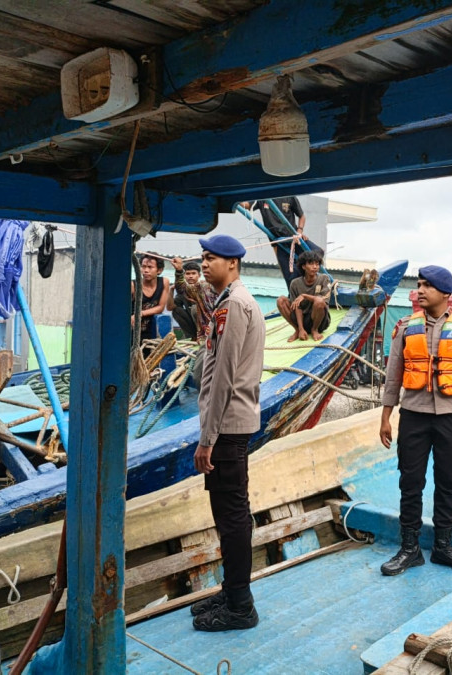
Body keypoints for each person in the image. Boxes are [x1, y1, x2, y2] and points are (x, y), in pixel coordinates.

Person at [378, 266, 452, 576]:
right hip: (413, 415)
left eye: (427, 286)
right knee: (410, 483)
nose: (420, 290)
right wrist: (386, 416)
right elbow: (393, 375)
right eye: (419, 285)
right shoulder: (405, 327)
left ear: (445, 293)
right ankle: (410, 549)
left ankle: (443, 546)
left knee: (448, 482)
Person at [190, 234, 265, 632]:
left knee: (232, 516)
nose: (204, 264)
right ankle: (232, 590)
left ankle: (240, 606)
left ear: (233, 263)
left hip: (227, 427)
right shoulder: (228, 301)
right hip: (229, 423)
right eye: (203, 257)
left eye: (212, 258)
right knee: (228, 513)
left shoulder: (234, 304)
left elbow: (223, 375)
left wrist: (208, 438)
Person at [240, 197, 323, 285]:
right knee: (290, 278)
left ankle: (305, 274)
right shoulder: (262, 197)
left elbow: (302, 216)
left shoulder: (289, 197)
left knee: (318, 252)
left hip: (294, 238)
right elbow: (247, 205)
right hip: (280, 243)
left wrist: (299, 231)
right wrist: (234, 196)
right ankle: (297, 286)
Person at [276, 249, 331, 342]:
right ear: (303, 266)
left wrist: (305, 296)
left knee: (319, 301)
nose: (315, 267)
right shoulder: (295, 283)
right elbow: (297, 307)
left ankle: (314, 330)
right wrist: (301, 328)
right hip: (302, 320)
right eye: (311, 264)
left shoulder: (324, 279)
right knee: (281, 300)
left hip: (320, 321)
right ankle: (297, 330)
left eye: (317, 264)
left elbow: (323, 301)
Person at [169, 258, 217, 341]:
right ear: (184, 276)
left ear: (199, 275)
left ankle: (204, 335)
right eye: (188, 274)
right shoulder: (185, 291)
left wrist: (179, 270)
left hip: (210, 323)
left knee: (195, 309)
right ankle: (192, 336)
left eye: (193, 273)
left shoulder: (204, 285)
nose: (190, 276)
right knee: (177, 310)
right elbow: (170, 307)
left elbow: (181, 287)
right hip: (195, 325)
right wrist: (171, 290)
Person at [131, 253, 170, 347]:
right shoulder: (133, 286)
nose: (146, 270)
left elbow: (160, 307)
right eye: (143, 266)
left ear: (159, 270)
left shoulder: (164, 282)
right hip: (133, 331)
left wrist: (140, 314)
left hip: (151, 331)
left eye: (150, 267)